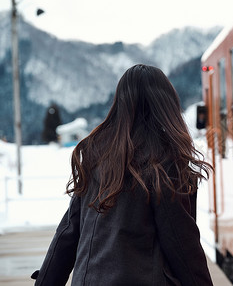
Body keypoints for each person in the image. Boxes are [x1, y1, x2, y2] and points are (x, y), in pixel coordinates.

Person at [32, 64, 214, 285]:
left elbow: (68, 233)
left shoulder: (96, 154)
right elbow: (182, 245)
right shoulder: (163, 162)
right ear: (166, 106)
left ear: (120, 105)